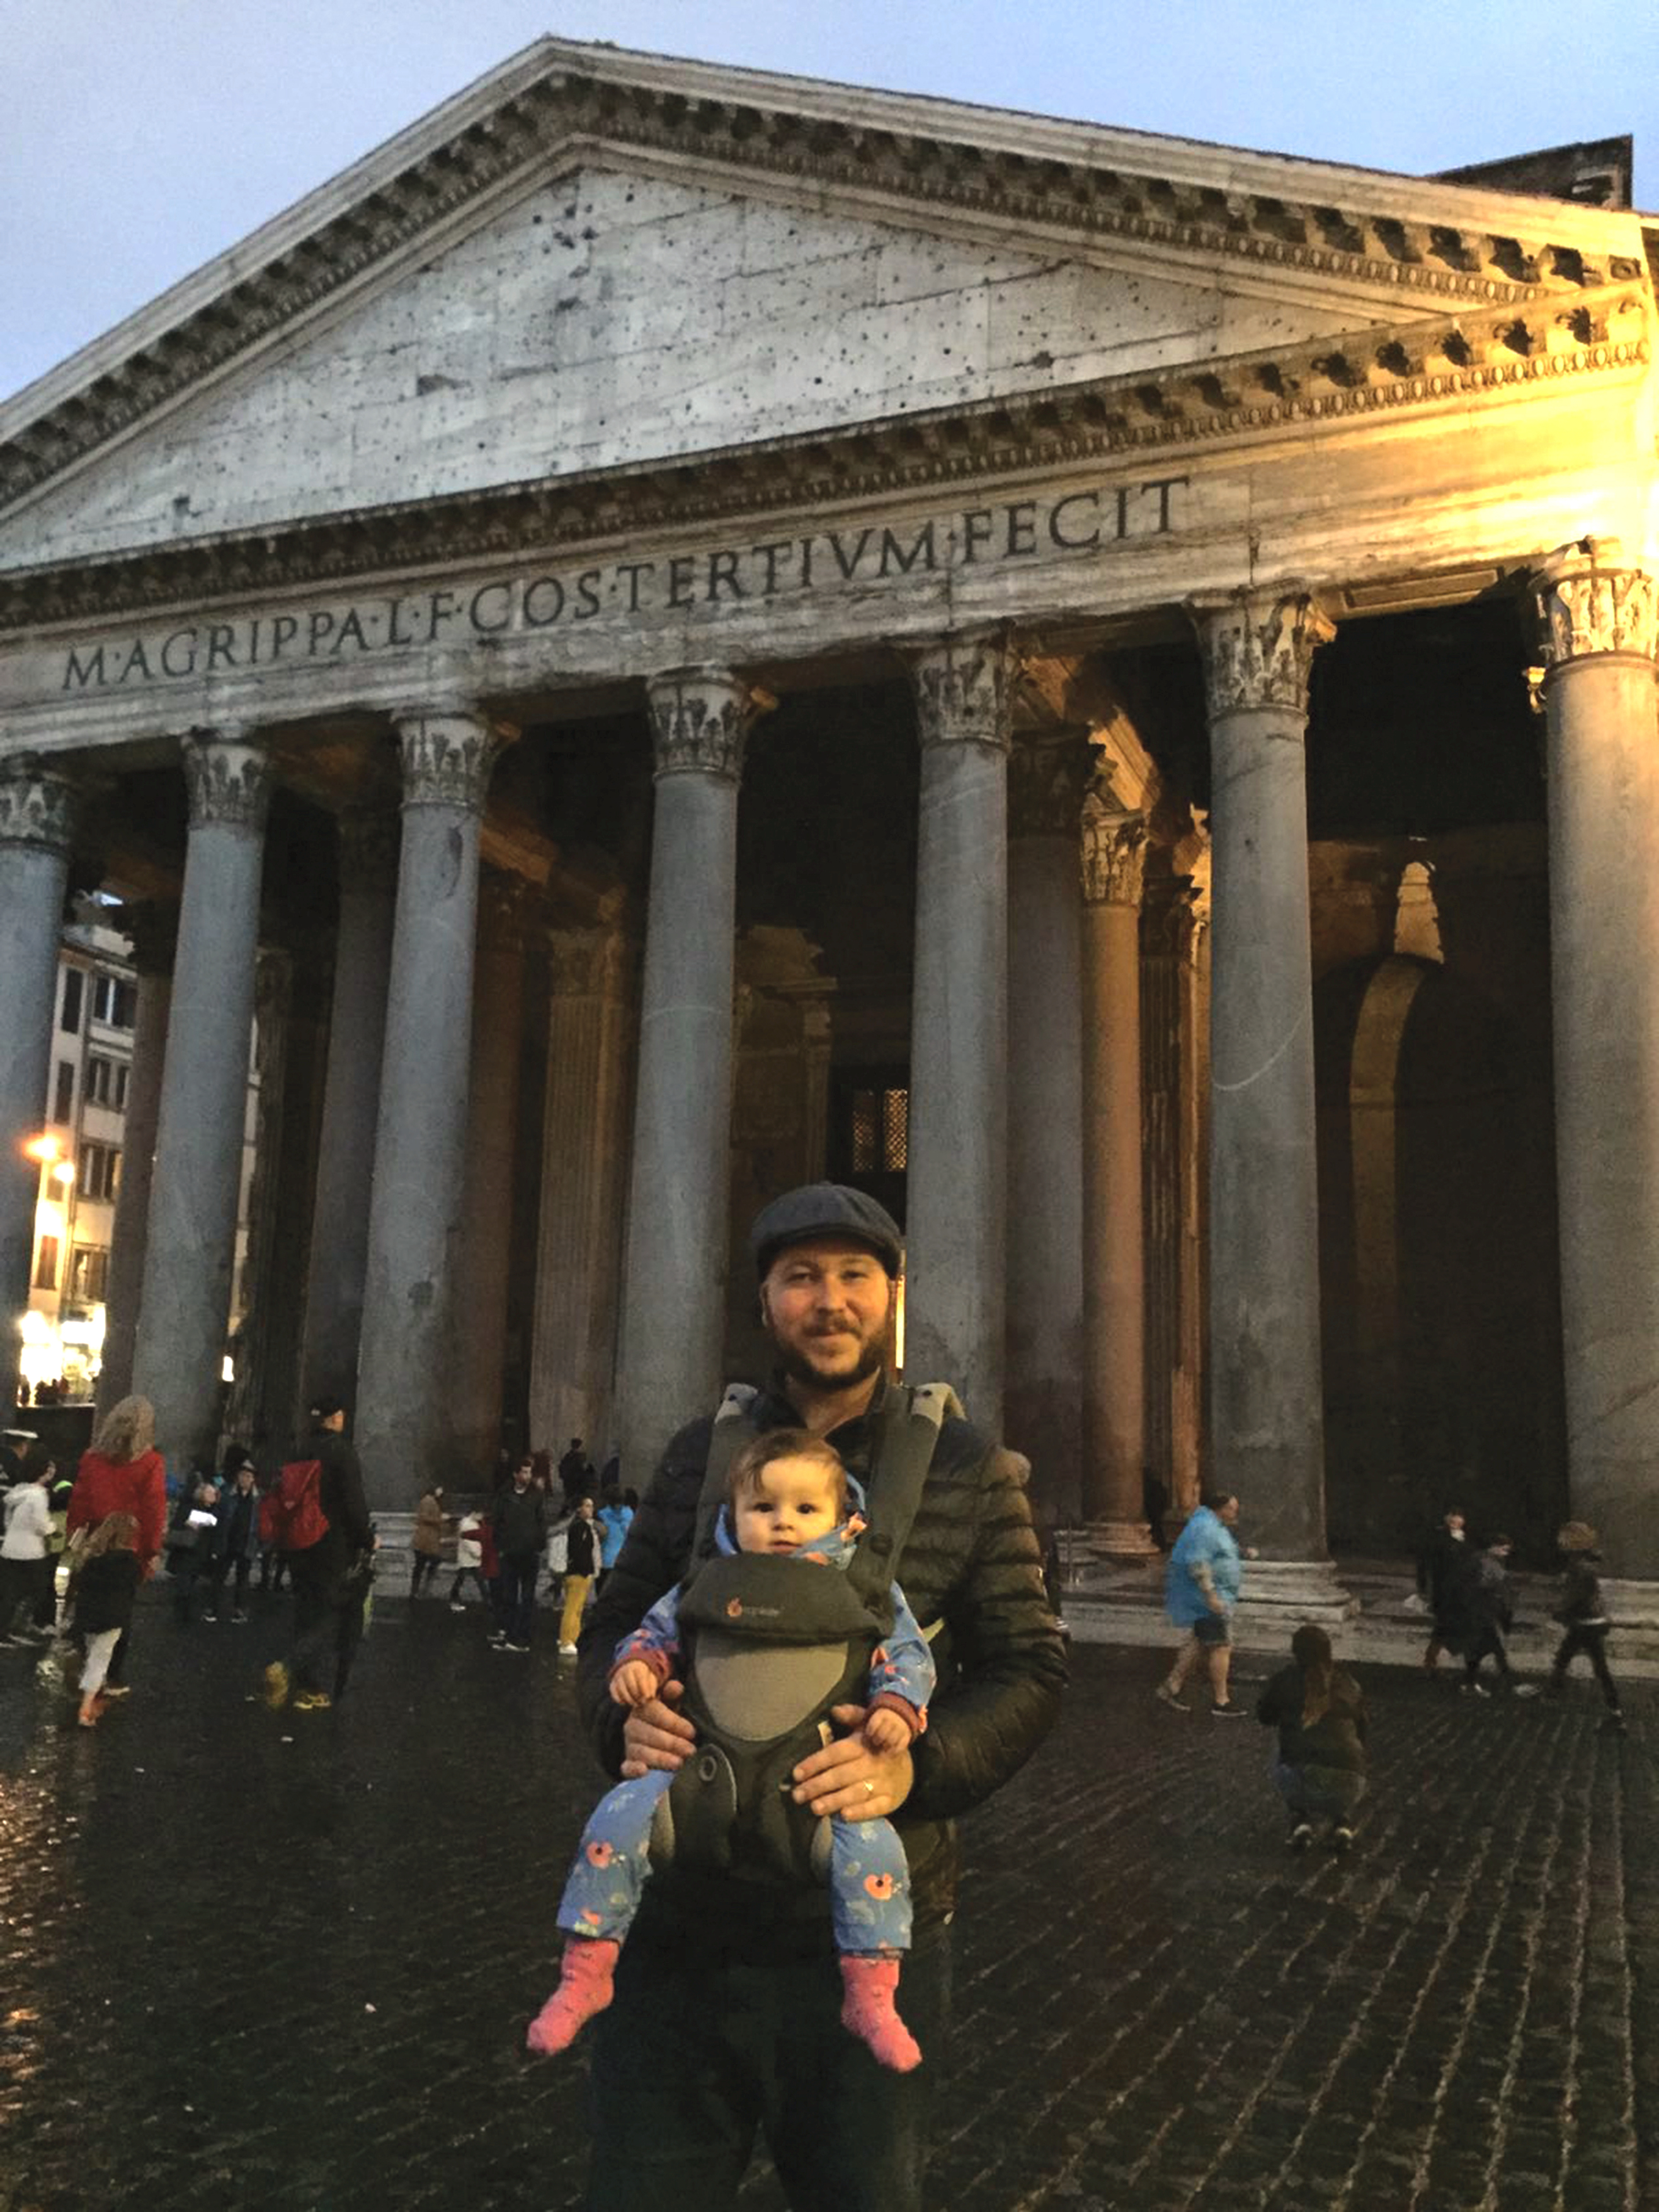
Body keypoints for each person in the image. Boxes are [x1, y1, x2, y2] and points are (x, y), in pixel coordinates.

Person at [574, 1181, 1066, 2211]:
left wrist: (913, 1768)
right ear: (766, 1303)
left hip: (857, 1938)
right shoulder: (700, 1456)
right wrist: (621, 1716)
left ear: (891, 1295)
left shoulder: (968, 1468)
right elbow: (614, 1620)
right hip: (676, 1929)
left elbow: (1026, 1664)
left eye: (852, 1275)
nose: (827, 1300)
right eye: (800, 1278)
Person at [530, 1430, 933, 2071]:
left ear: (843, 1517)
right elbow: (652, 1631)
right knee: (617, 1819)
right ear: (732, 1515)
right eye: (764, 1508)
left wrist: (896, 1710)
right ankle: (586, 1967)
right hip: (697, 1777)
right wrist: (633, 1672)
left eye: (806, 1510)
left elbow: (906, 1654)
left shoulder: (865, 1583)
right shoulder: (709, 1577)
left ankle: (872, 1994)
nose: (784, 1524)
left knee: (877, 1855)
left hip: (816, 1786)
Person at [261, 1396, 376, 1714]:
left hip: (299, 1545)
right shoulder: (341, 1452)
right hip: (332, 1545)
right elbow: (354, 1506)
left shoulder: (300, 1449)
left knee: (306, 1611)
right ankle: (287, 1667)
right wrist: (368, 1539)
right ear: (338, 1417)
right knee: (331, 1614)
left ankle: (307, 1688)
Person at [66, 1395, 167, 1699]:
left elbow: (80, 1500)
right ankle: (109, 1674)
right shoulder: (150, 1462)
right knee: (120, 1612)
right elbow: (153, 1510)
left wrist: (76, 1536)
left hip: (96, 1541)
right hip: (128, 1546)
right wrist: (152, 1551)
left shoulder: (92, 1458)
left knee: (89, 1599)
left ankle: (81, 1652)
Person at [1255, 1624, 1369, 1851]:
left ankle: (1300, 1819)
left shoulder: (1285, 1680)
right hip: (1350, 1782)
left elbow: (1265, 1716)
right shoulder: (1348, 1682)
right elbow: (1362, 1727)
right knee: (1347, 1749)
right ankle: (1342, 1822)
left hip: (1298, 1780)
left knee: (1282, 1745)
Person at [1156, 1491, 1248, 1716]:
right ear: (1221, 1508)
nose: (1236, 1512)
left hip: (1213, 1597)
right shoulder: (1207, 1528)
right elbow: (1198, 1562)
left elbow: (1219, 1553)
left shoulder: (1213, 1526)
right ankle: (1221, 1701)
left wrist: (1243, 1553)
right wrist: (1211, 1595)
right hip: (1210, 1599)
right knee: (1221, 1646)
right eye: (1232, 1508)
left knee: (1198, 1643)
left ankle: (1171, 1686)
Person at [1544, 1522, 1624, 1731]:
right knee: (1569, 1657)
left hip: (1587, 1622)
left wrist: (1558, 1611)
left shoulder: (1579, 1567)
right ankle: (1553, 1692)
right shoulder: (1586, 1562)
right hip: (1591, 1621)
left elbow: (1575, 1595)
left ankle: (1616, 1714)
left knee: (1593, 1665)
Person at [70, 1511, 144, 1728]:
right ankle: (86, 1708)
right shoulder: (129, 1562)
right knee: (99, 1662)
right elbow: (134, 1585)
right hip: (112, 1617)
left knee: (92, 1655)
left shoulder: (92, 1558)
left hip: (87, 1615)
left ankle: (92, 1691)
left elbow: (80, 1583)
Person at [0, 1447, 56, 1645]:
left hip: (10, 1547)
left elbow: (8, 1518)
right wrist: (53, 1528)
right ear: (43, 1471)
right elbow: (41, 1524)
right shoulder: (39, 1495)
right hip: (31, 1551)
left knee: (11, 1592)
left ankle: (5, 1629)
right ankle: (20, 1626)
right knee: (38, 1590)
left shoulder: (18, 1491)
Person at [492, 1457, 547, 1653]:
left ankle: (523, 1637)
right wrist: (500, 1546)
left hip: (529, 1554)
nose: (527, 1476)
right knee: (509, 1596)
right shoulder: (504, 1495)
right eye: (523, 1472)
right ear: (516, 1474)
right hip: (510, 1554)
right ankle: (510, 1633)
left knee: (527, 1597)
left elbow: (542, 1522)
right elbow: (497, 1522)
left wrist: (539, 1545)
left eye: (529, 1472)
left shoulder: (536, 1496)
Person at [1460, 1534, 1521, 1696]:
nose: (1505, 1553)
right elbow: (1482, 1584)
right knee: (1494, 1649)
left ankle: (1472, 1683)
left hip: (1487, 1611)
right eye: (1503, 1549)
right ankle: (1506, 1684)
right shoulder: (1484, 1561)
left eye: (1507, 1551)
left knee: (1489, 1650)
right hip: (1482, 1611)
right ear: (1494, 1546)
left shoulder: (1489, 1561)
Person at [1415, 1507, 1471, 1673]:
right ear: (1447, 1519)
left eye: (1460, 1518)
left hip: (1460, 1589)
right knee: (1443, 1626)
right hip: (1444, 1590)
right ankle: (1431, 1660)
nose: (1457, 1521)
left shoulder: (1464, 1539)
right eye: (1453, 1518)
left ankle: (1435, 1659)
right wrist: (1423, 1587)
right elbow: (1425, 1564)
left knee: (1450, 1626)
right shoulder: (1439, 1539)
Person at [211, 1459, 261, 1622]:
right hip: (228, 1541)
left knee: (243, 1579)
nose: (244, 1479)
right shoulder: (228, 1494)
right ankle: (213, 1608)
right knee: (219, 1576)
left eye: (248, 1476)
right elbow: (217, 1515)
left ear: (253, 1479)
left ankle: (239, 1610)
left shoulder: (258, 1499)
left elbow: (261, 1523)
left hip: (247, 1543)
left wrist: (260, 1545)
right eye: (242, 1475)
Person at [559, 1493, 598, 1655]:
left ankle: (571, 1638)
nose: (591, 1509)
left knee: (577, 1609)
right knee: (573, 1608)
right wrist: (585, 1570)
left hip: (578, 1572)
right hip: (579, 1573)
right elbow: (580, 1551)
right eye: (587, 1506)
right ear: (579, 1509)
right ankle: (567, 1640)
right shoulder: (580, 1527)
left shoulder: (580, 1526)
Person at [448, 1504, 491, 1612]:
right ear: (474, 1514)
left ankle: (488, 1601)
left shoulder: (470, 1523)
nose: (482, 1517)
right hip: (469, 1557)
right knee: (464, 1580)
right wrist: (478, 1553)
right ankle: (454, 1600)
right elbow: (469, 1542)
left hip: (469, 1558)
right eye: (480, 1515)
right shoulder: (469, 1525)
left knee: (476, 1580)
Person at [595, 1487, 635, 1593]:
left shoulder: (601, 1515)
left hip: (605, 1560)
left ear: (607, 1500)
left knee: (601, 1592)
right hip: (623, 1560)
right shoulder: (629, 1513)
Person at [411, 1485, 447, 1599]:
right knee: (423, 1565)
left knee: (421, 1566)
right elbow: (424, 1517)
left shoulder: (431, 1501)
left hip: (427, 1541)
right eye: (440, 1489)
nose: (441, 1492)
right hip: (425, 1541)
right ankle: (420, 1590)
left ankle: (418, 1590)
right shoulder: (428, 1501)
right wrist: (441, 1519)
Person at [559, 1436, 595, 1508]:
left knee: (569, 1498)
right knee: (576, 1500)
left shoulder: (568, 1455)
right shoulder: (581, 1456)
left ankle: (566, 1510)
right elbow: (583, 1469)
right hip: (577, 1482)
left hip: (568, 1481)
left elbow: (561, 1468)